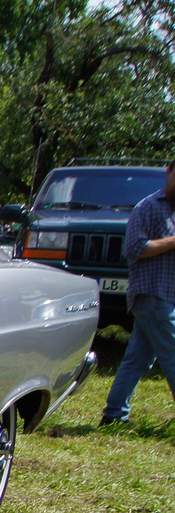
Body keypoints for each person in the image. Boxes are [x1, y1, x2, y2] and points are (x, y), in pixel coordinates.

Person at [100, 160, 175, 425]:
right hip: (152, 294)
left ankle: (114, 415)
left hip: (168, 295)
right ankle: (115, 413)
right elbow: (133, 248)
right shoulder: (148, 207)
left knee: (138, 359)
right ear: (169, 171)